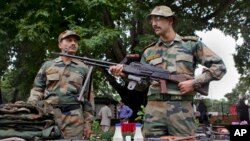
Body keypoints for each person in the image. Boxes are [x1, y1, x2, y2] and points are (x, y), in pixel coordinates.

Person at [109, 5, 226, 137]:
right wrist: (125, 75)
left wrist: (194, 83)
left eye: (158, 19)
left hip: (181, 109)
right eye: (152, 20)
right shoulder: (149, 51)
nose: (154, 23)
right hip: (154, 110)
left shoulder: (191, 44)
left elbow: (219, 67)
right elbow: (142, 86)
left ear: (170, 20)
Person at [27, 30, 94, 139]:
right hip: (50, 116)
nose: (73, 43)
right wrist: (30, 108)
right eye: (69, 40)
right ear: (60, 45)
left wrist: (88, 123)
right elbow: (37, 89)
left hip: (74, 120)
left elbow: (88, 98)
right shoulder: (48, 65)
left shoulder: (84, 68)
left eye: (75, 41)